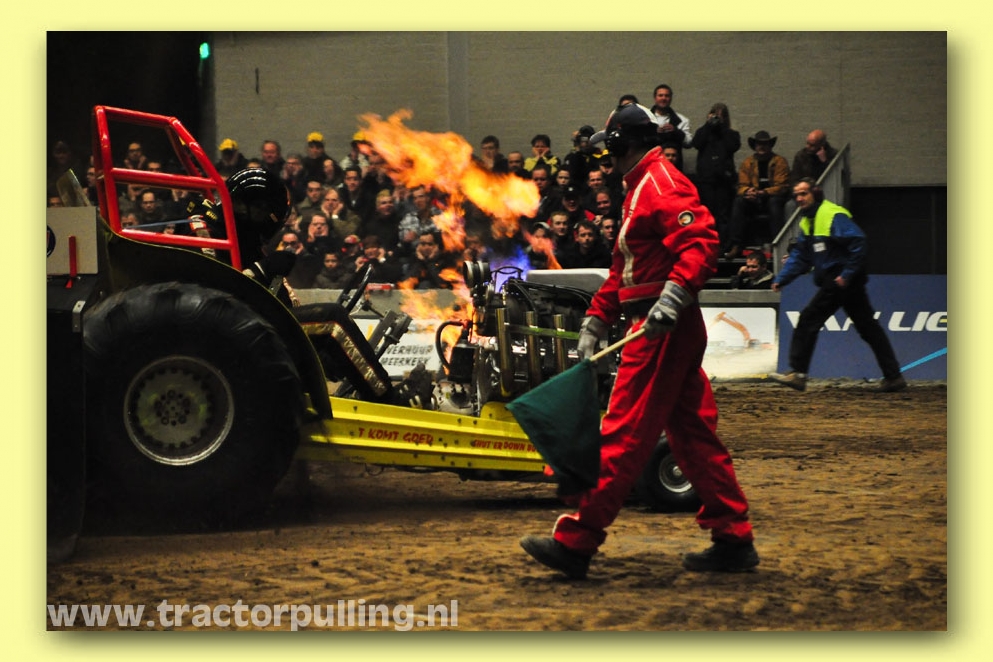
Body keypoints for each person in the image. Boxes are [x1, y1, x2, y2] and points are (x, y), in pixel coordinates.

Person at [520, 102, 757, 579]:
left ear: (620, 144)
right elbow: (624, 270)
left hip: (659, 327)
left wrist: (671, 299)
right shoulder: (642, 185)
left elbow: (701, 243)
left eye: (607, 149)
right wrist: (597, 318)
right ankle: (733, 537)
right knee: (692, 437)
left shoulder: (659, 183)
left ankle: (577, 541)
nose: (603, 159)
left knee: (623, 431)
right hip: (663, 323)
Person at [770, 178, 907, 393]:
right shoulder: (808, 222)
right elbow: (801, 256)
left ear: (815, 193)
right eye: (796, 195)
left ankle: (798, 373)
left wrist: (847, 274)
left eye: (804, 193)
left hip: (840, 279)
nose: (799, 199)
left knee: (808, 319)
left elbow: (858, 241)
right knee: (868, 327)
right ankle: (894, 376)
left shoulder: (832, 214)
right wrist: (782, 278)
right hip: (842, 280)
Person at [725, 131, 791, 259]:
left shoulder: (779, 162)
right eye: (759, 144)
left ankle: (777, 244)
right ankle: (736, 245)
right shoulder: (748, 162)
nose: (762, 146)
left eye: (765, 144)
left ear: (770, 145)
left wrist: (764, 192)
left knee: (774, 202)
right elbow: (741, 185)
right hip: (754, 200)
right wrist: (747, 191)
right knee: (739, 202)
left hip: (772, 198)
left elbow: (782, 186)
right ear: (754, 146)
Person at [691, 103, 741, 246]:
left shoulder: (731, 134)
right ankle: (707, 242)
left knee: (722, 215)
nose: (717, 118)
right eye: (715, 115)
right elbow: (696, 143)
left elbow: (733, 146)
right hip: (706, 180)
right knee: (706, 213)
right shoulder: (704, 132)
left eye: (720, 116)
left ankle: (722, 245)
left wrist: (722, 127)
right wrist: (708, 125)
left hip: (723, 181)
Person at [649, 84, 691, 170]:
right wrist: (653, 133)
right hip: (650, 166)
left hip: (673, 168)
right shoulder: (644, 119)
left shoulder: (682, 120)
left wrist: (676, 131)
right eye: (660, 95)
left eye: (667, 96)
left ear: (671, 98)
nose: (663, 98)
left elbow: (689, 143)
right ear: (655, 98)